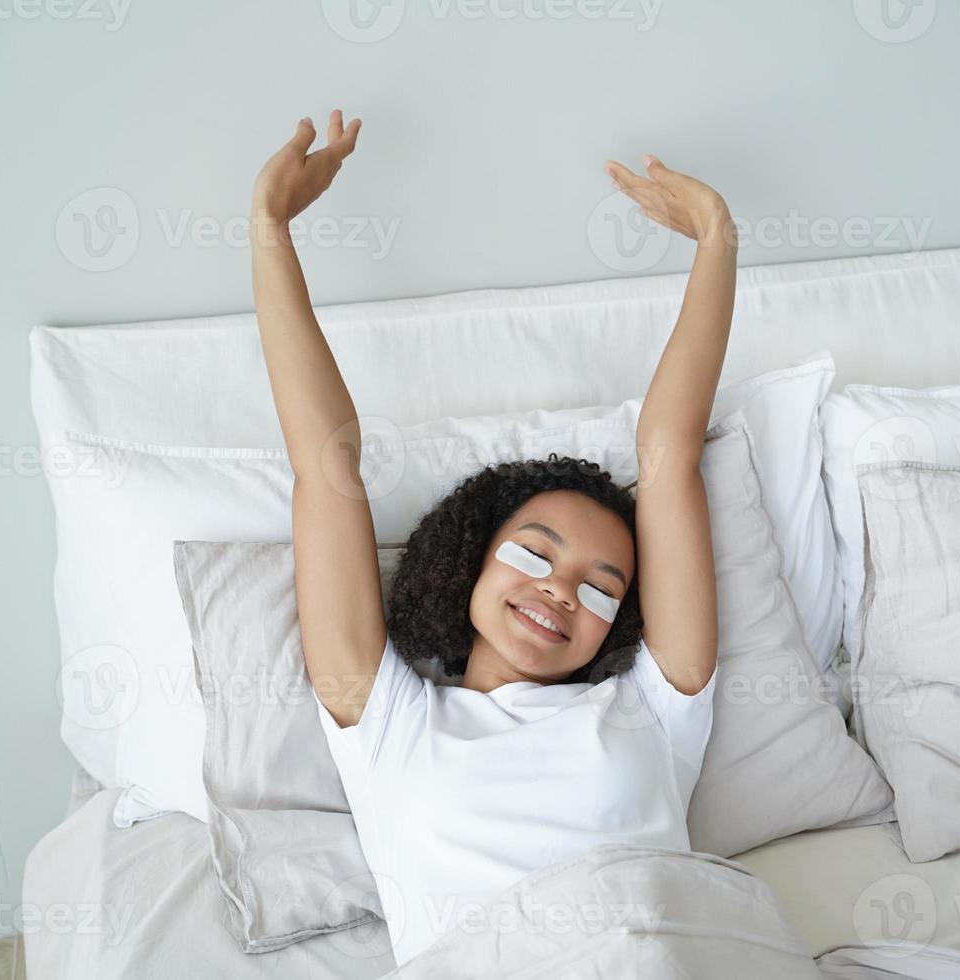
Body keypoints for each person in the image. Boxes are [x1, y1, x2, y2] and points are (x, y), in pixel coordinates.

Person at [249, 110, 737, 966]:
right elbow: (324, 469)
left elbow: (668, 459)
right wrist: (269, 231)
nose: (559, 589)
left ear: (620, 621)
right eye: (536, 552)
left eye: (601, 585)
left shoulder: (658, 708)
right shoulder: (389, 722)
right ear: (471, 562)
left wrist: (716, 243)